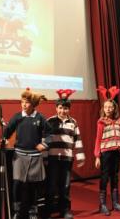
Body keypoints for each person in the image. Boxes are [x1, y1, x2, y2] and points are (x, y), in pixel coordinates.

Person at [3, 88, 47, 219]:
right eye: (22, 102)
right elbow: (8, 130)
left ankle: (33, 212)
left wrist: (43, 144)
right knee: (17, 184)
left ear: (33, 104)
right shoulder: (18, 117)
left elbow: (49, 134)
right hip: (19, 156)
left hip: (34, 156)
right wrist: (4, 138)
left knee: (33, 186)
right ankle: (17, 211)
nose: (24, 105)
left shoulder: (40, 118)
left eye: (27, 102)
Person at [43, 89, 85, 219]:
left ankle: (65, 210)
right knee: (51, 185)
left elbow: (77, 139)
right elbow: (45, 140)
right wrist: (44, 157)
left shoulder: (73, 122)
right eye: (60, 108)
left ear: (69, 109)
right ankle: (48, 210)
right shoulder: (50, 121)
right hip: (53, 158)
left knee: (65, 186)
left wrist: (80, 155)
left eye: (66, 108)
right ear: (56, 108)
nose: (63, 111)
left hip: (67, 159)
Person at [94, 86, 120, 216]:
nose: (108, 109)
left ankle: (116, 203)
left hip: (116, 152)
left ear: (114, 108)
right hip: (105, 153)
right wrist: (97, 156)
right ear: (103, 109)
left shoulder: (119, 121)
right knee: (104, 177)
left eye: (110, 107)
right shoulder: (101, 122)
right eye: (106, 107)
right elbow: (97, 140)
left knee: (114, 177)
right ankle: (102, 204)